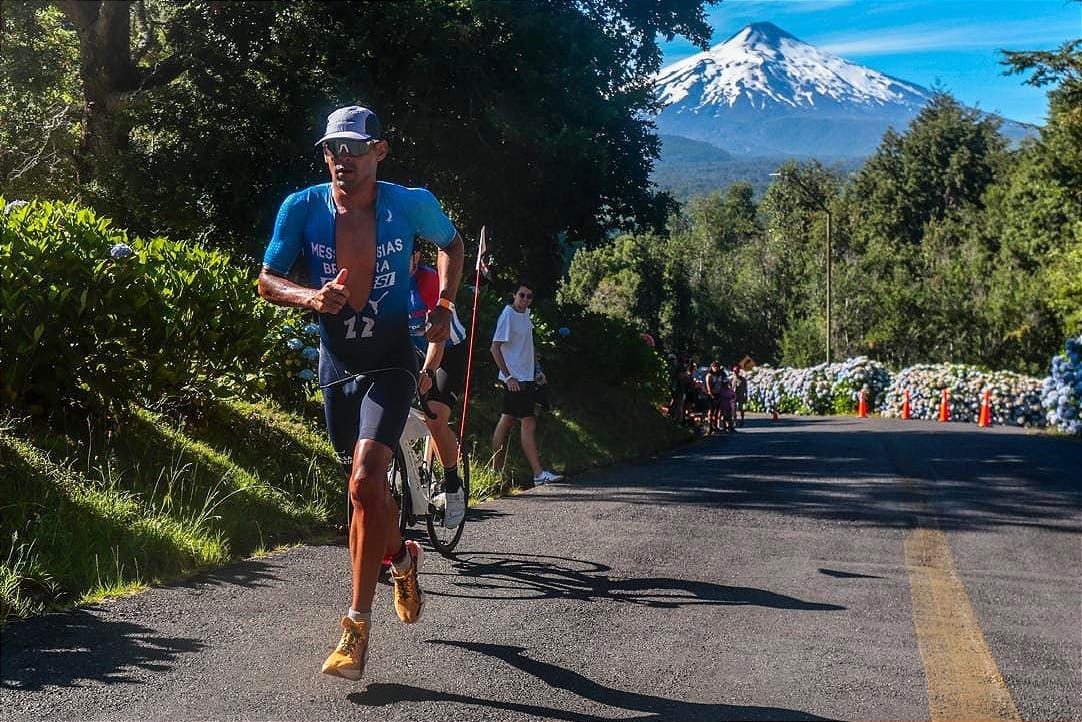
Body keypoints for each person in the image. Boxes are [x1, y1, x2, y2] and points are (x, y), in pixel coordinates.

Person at [257, 105, 464, 681]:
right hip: (339, 364)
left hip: (394, 361)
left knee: (364, 479)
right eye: (332, 150)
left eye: (353, 148)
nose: (341, 160)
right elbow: (266, 279)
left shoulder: (409, 202)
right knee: (365, 496)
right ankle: (402, 558)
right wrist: (308, 298)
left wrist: (443, 306)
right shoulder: (301, 208)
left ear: (380, 151)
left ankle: (355, 631)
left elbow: (452, 244)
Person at [409, 242, 467, 528]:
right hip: (411, 350)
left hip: (446, 352)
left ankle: (453, 484)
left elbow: (438, 341)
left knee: (434, 416)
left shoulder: (429, 281)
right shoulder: (385, 280)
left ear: (417, 256)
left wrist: (429, 372)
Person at [490, 280, 563, 487]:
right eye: (522, 295)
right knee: (527, 422)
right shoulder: (508, 315)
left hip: (526, 377)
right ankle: (538, 474)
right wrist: (509, 377)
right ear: (514, 295)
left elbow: (528, 346)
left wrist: (537, 370)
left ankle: (496, 472)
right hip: (516, 381)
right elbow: (495, 348)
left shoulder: (525, 315)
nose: (524, 300)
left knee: (507, 420)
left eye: (529, 297)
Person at [704, 361, 726, 434]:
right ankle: (710, 427)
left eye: (717, 367)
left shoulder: (720, 375)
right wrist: (711, 395)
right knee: (711, 411)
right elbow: (708, 386)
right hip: (711, 395)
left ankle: (715, 426)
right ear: (712, 367)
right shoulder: (709, 375)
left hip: (718, 394)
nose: (716, 368)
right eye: (715, 367)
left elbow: (723, 384)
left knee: (717, 412)